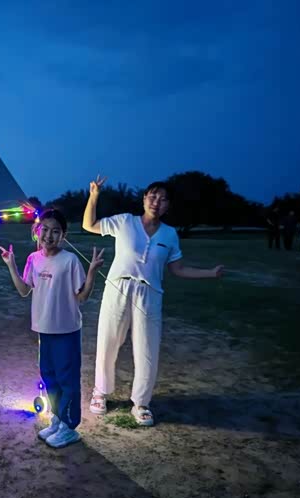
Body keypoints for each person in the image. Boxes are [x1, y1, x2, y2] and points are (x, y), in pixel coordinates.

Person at [82, 176, 224, 426]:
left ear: (168, 205)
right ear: (144, 198)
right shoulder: (125, 221)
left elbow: (178, 269)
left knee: (147, 348)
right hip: (118, 287)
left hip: (150, 294)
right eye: (153, 196)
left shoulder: (169, 234)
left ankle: (141, 403)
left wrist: (210, 273)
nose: (156, 202)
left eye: (163, 199)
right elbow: (89, 224)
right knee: (108, 341)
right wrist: (94, 196)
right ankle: (100, 392)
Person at [0, 209, 104, 448]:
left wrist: (91, 273)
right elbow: (24, 290)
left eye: (55, 231)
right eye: (44, 229)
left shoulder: (70, 260)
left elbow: (82, 296)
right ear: (36, 231)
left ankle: (70, 427)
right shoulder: (33, 259)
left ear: (63, 236)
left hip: (66, 329)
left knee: (67, 379)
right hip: (44, 329)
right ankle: (58, 418)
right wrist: (11, 264)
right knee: (49, 376)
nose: (48, 235)